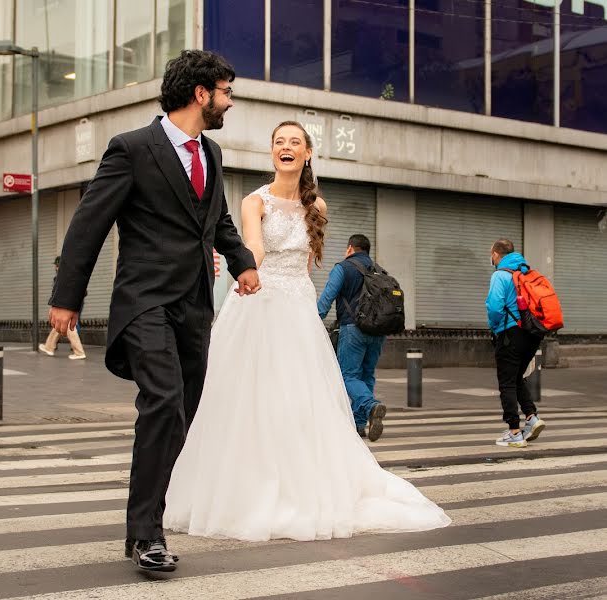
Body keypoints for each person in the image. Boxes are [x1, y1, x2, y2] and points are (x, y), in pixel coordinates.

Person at [163, 121, 450, 543]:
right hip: (258, 303)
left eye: (294, 142)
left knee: (301, 401)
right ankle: (247, 486)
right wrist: (246, 269)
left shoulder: (318, 206)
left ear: (307, 153)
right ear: (272, 153)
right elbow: (254, 248)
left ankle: (302, 484)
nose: (286, 147)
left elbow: (309, 260)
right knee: (248, 399)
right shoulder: (252, 202)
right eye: (279, 141)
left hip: (298, 312)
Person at [48, 50, 260, 572]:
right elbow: (88, 223)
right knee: (163, 401)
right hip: (144, 301)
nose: (230, 102)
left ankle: (145, 521)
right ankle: (146, 534)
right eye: (226, 92)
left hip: (192, 305)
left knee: (178, 414)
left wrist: (243, 264)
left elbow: (217, 220)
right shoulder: (132, 149)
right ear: (201, 93)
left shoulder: (209, 153)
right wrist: (66, 297)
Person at [316, 234, 388, 441]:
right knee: (367, 375)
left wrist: (313, 320)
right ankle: (359, 424)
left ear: (350, 249)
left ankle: (370, 405)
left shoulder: (343, 268)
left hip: (353, 328)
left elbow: (326, 299)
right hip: (377, 331)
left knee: (348, 376)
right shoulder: (379, 270)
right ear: (367, 250)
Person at [487, 238, 546, 448]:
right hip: (532, 334)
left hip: (510, 334)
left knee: (506, 382)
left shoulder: (500, 275)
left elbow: (495, 308)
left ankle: (514, 431)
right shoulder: (526, 274)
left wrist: (495, 329)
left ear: (495, 254)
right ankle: (531, 417)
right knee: (517, 377)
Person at [40, 257, 86, 360]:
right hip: (67, 304)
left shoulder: (64, 275)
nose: (55, 268)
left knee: (70, 328)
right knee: (59, 325)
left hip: (66, 306)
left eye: (57, 265)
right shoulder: (65, 275)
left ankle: (79, 352)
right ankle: (49, 346)